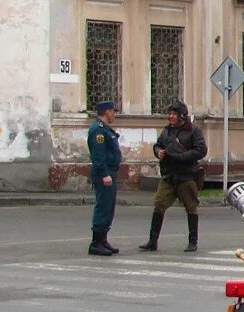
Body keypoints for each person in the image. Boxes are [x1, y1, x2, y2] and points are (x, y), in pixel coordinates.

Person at [139, 101, 208, 252]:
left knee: (191, 207)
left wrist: (181, 156)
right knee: (159, 204)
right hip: (169, 175)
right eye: (170, 114)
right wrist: (158, 152)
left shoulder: (193, 131)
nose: (171, 117)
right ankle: (152, 241)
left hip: (186, 175)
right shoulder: (167, 131)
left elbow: (201, 150)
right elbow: (157, 145)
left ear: (182, 116)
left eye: (174, 114)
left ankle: (193, 241)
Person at [86, 100, 122, 256]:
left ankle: (103, 240)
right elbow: (98, 156)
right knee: (103, 207)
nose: (114, 114)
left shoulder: (105, 129)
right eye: (113, 111)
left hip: (110, 172)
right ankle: (96, 243)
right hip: (105, 174)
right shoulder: (98, 131)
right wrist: (105, 174)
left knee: (109, 207)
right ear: (107, 112)